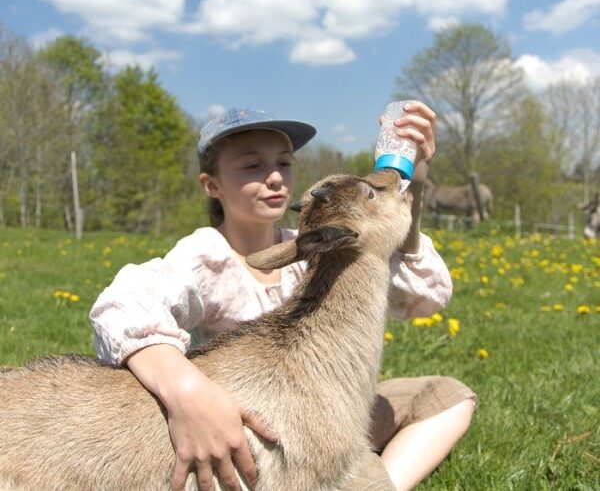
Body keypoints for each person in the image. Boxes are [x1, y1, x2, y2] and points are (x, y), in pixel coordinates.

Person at [90, 103, 476, 491]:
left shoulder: (317, 249)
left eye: (283, 163)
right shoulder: (205, 257)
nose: (274, 176)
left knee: (446, 397)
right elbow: (119, 306)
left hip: (328, 411)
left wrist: (416, 185)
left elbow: (422, 295)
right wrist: (189, 395)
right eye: (252, 165)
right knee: (363, 477)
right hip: (248, 428)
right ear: (212, 185)